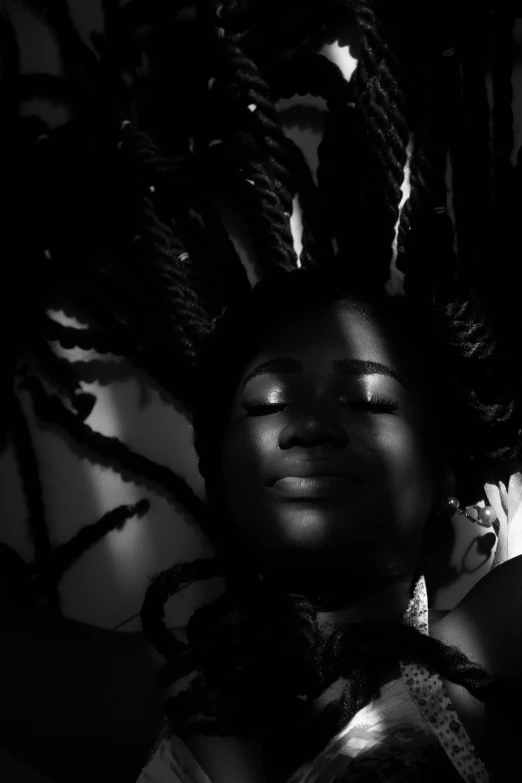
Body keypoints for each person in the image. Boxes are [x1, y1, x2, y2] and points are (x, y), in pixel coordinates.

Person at [137, 266, 522, 782]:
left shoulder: (497, 643)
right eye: (268, 402)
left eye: (369, 401)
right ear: (217, 467)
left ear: (444, 466)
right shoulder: (151, 683)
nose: (312, 425)